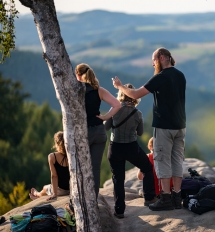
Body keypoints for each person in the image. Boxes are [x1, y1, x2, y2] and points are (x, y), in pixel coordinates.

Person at [112, 47, 186, 211]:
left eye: (153, 61)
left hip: (164, 127)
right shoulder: (180, 75)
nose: (153, 65)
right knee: (177, 161)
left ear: (161, 58)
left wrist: (120, 87)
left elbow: (136, 94)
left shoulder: (160, 77)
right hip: (180, 126)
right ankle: (177, 198)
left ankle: (166, 198)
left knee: (162, 160)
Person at [105, 83, 157, 219]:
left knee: (118, 179)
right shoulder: (137, 113)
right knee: (147, 167)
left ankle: (119, 211)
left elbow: (106, 127)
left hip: (115, 147)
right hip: (131, 147)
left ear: (121, 95)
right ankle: (149, 198)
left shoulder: (114, 109)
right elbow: (140, 133)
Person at [75, 63, 121, 198]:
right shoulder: (99, 90)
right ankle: (93, 199)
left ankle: (81, 197)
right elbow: (117, 104)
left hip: (84, 133)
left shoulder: (77, 91)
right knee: (95, 168)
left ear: (78, 75)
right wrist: (105, 117)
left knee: (80, 167)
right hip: (100, 132)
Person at [29, 131, 70, 201]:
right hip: (72, 189)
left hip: (60, 191)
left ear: (57, 144)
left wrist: (55, 194)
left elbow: (54, 176)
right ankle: (37, 196)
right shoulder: (72, 156)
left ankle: (37, 194)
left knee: (45, 188)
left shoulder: (52, 156)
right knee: (48, 187)